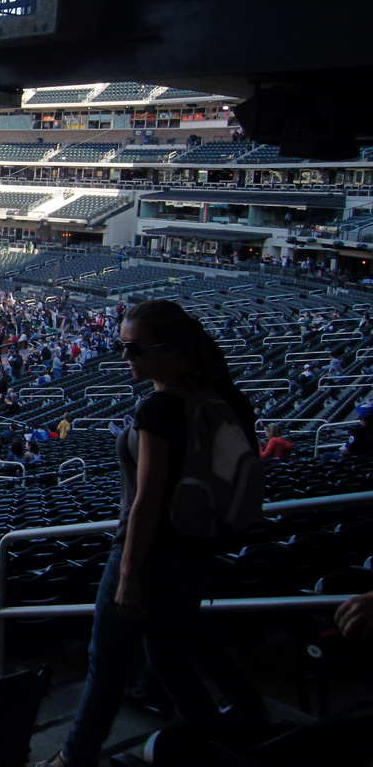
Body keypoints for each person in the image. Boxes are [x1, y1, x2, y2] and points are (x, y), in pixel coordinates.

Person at [36, 300, 262, 767]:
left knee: (107, 665)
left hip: (150, 554)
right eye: (123, 347)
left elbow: (147, 499)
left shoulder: (160, 407)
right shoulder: (225, 397)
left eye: (136, 349)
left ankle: (74, 758)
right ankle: (213, 736)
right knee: (167, 654)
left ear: (175, 352)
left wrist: (129, 573)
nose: (126, 357)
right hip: (196, 553)